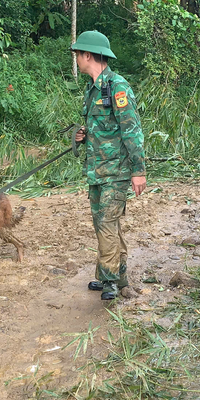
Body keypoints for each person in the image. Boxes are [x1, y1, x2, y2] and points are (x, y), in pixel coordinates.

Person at [71, 30, 146, 302]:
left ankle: (111, 282)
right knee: (105, 225)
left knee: (106, 223)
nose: (77, 59)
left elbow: (132, 131)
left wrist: (138, 171)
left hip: (116, 172)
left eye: (78, 54)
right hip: (96, 171)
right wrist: (83, 134)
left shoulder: (118, 87)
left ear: (88, 55)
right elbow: (103, 129)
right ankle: (114, 275)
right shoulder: (92, 90)